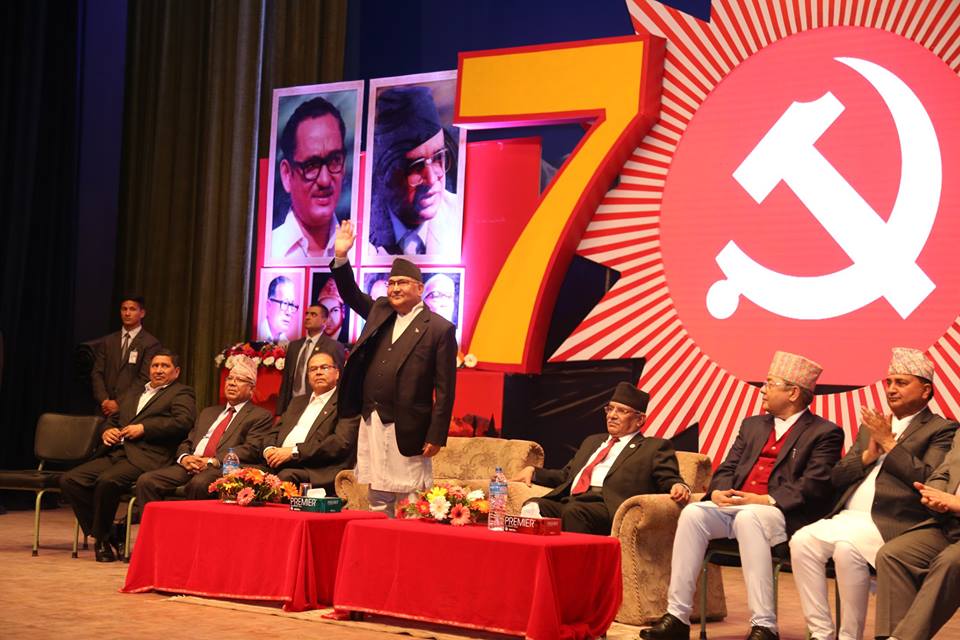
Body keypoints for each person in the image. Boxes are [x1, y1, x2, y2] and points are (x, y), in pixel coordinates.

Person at [641, 351, 843, 640]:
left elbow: (815, 483)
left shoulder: (824, 432)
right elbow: (728, 467)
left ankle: (765, 626)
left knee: (750, 518)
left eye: (770, 383)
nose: (762, 389)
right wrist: (718, 491)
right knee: (693, 514)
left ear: (793, 393)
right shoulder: (753, 425)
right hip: (736, 506)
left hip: (781, 514)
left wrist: (764, 500)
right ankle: (677, 617)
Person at [789, 347, 957, 640]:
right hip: (848, 517)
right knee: (801, 542)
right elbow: (836, 478)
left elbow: (928, 479)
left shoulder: (941, 429)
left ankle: (849, 635)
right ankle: (820, 632)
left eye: (901, 383)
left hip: (894, 520)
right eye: (889, 382)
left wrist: (890, 445)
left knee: (846, 549)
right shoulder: (874, 426)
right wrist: (868, 455)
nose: (891, 389)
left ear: (926, 390)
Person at [330, 219, 458, 515]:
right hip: (373, 419)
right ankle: (377, 542)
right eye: (391, 283)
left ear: (420, 288)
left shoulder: (439, 328)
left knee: (409, 499)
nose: (395, 288)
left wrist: (436, 435)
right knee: (377, 493)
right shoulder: (381, 311)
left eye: (402, 283)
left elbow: (445, 389)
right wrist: (341, 256)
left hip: (409, 425)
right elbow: (350, 293)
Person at [60, 349, 196, 562]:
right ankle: (110, 532)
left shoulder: (181, 393)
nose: (159, 370)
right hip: (118, 452)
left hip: (148, 455)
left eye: (165, 366)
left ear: (176, 372)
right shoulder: (134, 392)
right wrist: (107, 431)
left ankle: (102, 540)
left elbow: (183, 422)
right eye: (155, 366)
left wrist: (145, 428)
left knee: (107, 481)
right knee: (70, 480)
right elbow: (113, 419)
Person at [512, 381, 689, 535]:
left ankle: (576, 563)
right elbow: (567, 476)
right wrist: (534, 472)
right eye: (610, 409)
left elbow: (668, 478)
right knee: (534, 505)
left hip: (609, 507)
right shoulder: (593, 441)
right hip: (573, 501)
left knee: (575, 512)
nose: (612, 415)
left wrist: (678, 485)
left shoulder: (653, 447)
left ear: (640, 420)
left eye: (621, 411)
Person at [134, 356, 273, 506]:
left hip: (222, 468)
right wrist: (184, 457)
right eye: (230, 378)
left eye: (239, 380)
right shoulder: (209, 412)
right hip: (191, 465)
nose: (232, 383)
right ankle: (154, 523)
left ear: (251, 389)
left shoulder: (260, 415)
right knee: (147, 481)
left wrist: (212, 461)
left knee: (199, 483)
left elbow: (251, 449)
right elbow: (188, 441)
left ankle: (189, 522)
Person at [874, 429, 960, 640]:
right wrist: (935, 496)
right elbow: (943, 473)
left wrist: (957, 504)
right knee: (893, 555)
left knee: (950, 562)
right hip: (950, 523)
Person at [369, 86, 459, 257]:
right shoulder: (363, 229)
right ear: (386, 174)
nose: (432, 179)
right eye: (416, 166)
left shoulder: (461, 219)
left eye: (438, 158)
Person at [260, 351, 359, 492]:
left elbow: (339, 443)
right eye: (313, 369)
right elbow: (274, 432)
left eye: (324, 367)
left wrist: (294, 452)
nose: (318, 372)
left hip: (317, 470)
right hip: (281, 463)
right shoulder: (297, 402)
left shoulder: (346, 403)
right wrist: (269, 450)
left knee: (285, 477)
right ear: (307, 376)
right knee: (245, 473)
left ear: (337, 373)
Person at [272, 96, 347, 259]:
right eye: (311, 165)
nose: (325, 180)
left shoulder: (364, 253)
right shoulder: (270, 251)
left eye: (334, 160)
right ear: (287, 175)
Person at [90, 296, 161, 416]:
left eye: (132, 309)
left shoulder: (150, 343)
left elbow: (144, 378)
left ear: (142, 313)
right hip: (103, 409)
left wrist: (119, 403)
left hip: (129, 409)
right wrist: (104, 400)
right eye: (124, 309)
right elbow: (97, 373)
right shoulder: (108, 341)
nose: (127, 313)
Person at [277, 304, 347, 415]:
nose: (308, 317)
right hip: (292, 404)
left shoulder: (333, 346)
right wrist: (280, 411)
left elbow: (339, 380)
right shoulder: (294, 346)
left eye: (313, 314)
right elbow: (286, 380)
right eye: (307, 314)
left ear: (324, 321)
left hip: (319, 405)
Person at [259, 275, 298, 343]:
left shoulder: (288, 344)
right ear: (268, 305)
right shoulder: (256, 334)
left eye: (291, 305)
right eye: (285, 303)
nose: (289, 312)